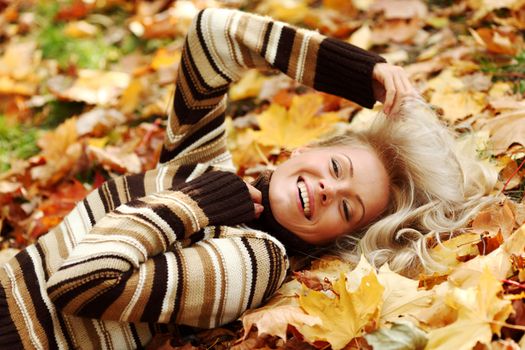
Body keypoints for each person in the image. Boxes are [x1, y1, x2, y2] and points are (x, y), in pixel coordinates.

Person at [0, 7, 495, 349]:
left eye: (347, 207)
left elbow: (82, 284)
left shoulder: (254, 262)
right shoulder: (206, 173)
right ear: (304, 150)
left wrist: (193, 205)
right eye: (337, 168)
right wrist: (364, 74)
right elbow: (213, 34)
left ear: (337, 237)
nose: (329, 189)